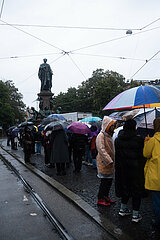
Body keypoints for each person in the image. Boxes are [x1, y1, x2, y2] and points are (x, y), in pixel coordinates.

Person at [115, 119, 145, 223]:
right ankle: (135, 215)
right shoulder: (139, 140)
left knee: (125, 188)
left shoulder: (118, 140)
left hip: (122, 168)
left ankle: (123, 209)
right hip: (136, 169)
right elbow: (143, 154)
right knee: (136, 190)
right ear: (134, 127)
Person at [143, 117, 160, 230]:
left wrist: (146, 141)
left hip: (156, 177)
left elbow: (146, 154)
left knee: (157, 202)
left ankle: (158, 222)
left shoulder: (153, 140)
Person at [96, 116, 116, 206]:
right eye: (112, 125)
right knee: (104, 182)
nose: (114, 127)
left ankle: (105, 196)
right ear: (107, 126)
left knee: (109, 182)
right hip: (104, 163)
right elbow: (101, 149)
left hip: (110, 163)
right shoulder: (101, 136)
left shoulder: (109, 135)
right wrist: (109, 160)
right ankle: (100, 198)